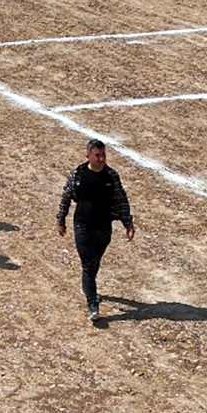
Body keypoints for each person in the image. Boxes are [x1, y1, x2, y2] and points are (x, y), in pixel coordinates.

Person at [55, 139, 136, 325]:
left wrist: (128, 224)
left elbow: (121, 200)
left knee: (94, 262)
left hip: (103, 227)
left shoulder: (111, 176)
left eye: (103, 155)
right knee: (88, 264)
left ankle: (87, 286)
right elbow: (66, 197)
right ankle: (93, 305)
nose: (101, 159)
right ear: (88, 156)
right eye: (97, 155)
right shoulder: (78, 174)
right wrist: (61, 220)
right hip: (82, 225)